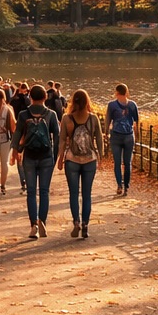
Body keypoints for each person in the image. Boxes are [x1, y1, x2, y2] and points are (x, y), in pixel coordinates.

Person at [11, 85, 60, 240]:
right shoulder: (51, 115)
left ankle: (34, 226)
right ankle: (43, 222)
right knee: (44, 191)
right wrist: (56, 155)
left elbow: (18, 133)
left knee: (31, 192)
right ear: (45, 97)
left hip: (29, 156)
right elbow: (57, 137)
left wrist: (16, 151)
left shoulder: (24, 114)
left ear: (30, 97)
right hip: (46, 156)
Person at [57, 89, 104, 239]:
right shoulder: (93, 118)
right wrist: (101, 157)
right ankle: (85, 225)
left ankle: (76, 222)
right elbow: (99, 139)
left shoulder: (66, 118)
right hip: (90, 160)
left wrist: (60, 158)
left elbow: (63, 140)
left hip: (72, 160)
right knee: (87, 194)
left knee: (73, 193)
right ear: (87, 101)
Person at [105, 84, 139, 196]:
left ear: (117, 92)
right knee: (127, 162)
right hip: (129, 135)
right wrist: (136, 136)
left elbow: (108, 120)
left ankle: (119, 184)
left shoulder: (112, 105)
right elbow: (136, 122)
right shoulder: (133, 104)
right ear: (126, 92)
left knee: (117, 162)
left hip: (116, 135)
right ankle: (126, 186)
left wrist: (106, 133)